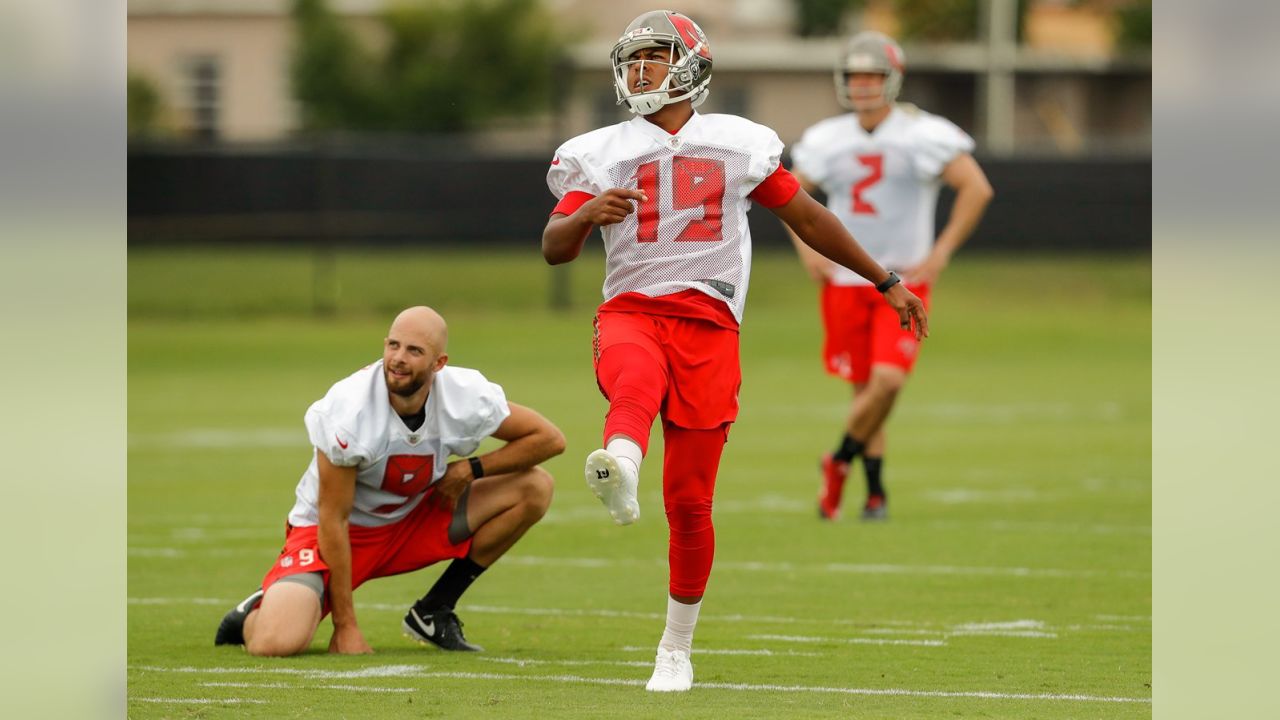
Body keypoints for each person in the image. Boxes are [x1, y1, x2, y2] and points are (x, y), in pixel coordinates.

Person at [542, 11, 927, 692]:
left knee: (690, 502)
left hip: (710, 322)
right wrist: (583, 215)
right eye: (632, 61)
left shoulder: (739, 143)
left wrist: (884, 278)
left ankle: (675, 649)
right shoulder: (599, 150)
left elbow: (808, 216)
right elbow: (555, 247)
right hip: (632, 308)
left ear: (690, 66)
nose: (639, 72)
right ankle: (620, 463)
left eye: (654, 59)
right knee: (634, 381)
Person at [213, 306, 564, 656]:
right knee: (277, 643)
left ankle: (433, 611)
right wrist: (345, 626)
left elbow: (548, 438)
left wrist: (469, 469)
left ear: (439, 363)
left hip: (414, 517)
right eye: (393, 345)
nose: (398, 358)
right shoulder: (349, 409)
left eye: (414, 351)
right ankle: (251, 613)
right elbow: (333, 517)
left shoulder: (464, 395)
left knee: (534, 487)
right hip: (334, 533)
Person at [787, 31, 993, 522]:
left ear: (892, 80)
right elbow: (790, 194)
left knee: (888, 382)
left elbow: (976, 188)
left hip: (903, 280)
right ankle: (874, 495)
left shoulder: (923, 132)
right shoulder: (826, 138)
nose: (862, 86)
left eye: (872, 76)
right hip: (844, 280)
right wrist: (804, 249)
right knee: (866, 393)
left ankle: (837, 460)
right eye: (855, 76)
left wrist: (940, 253)